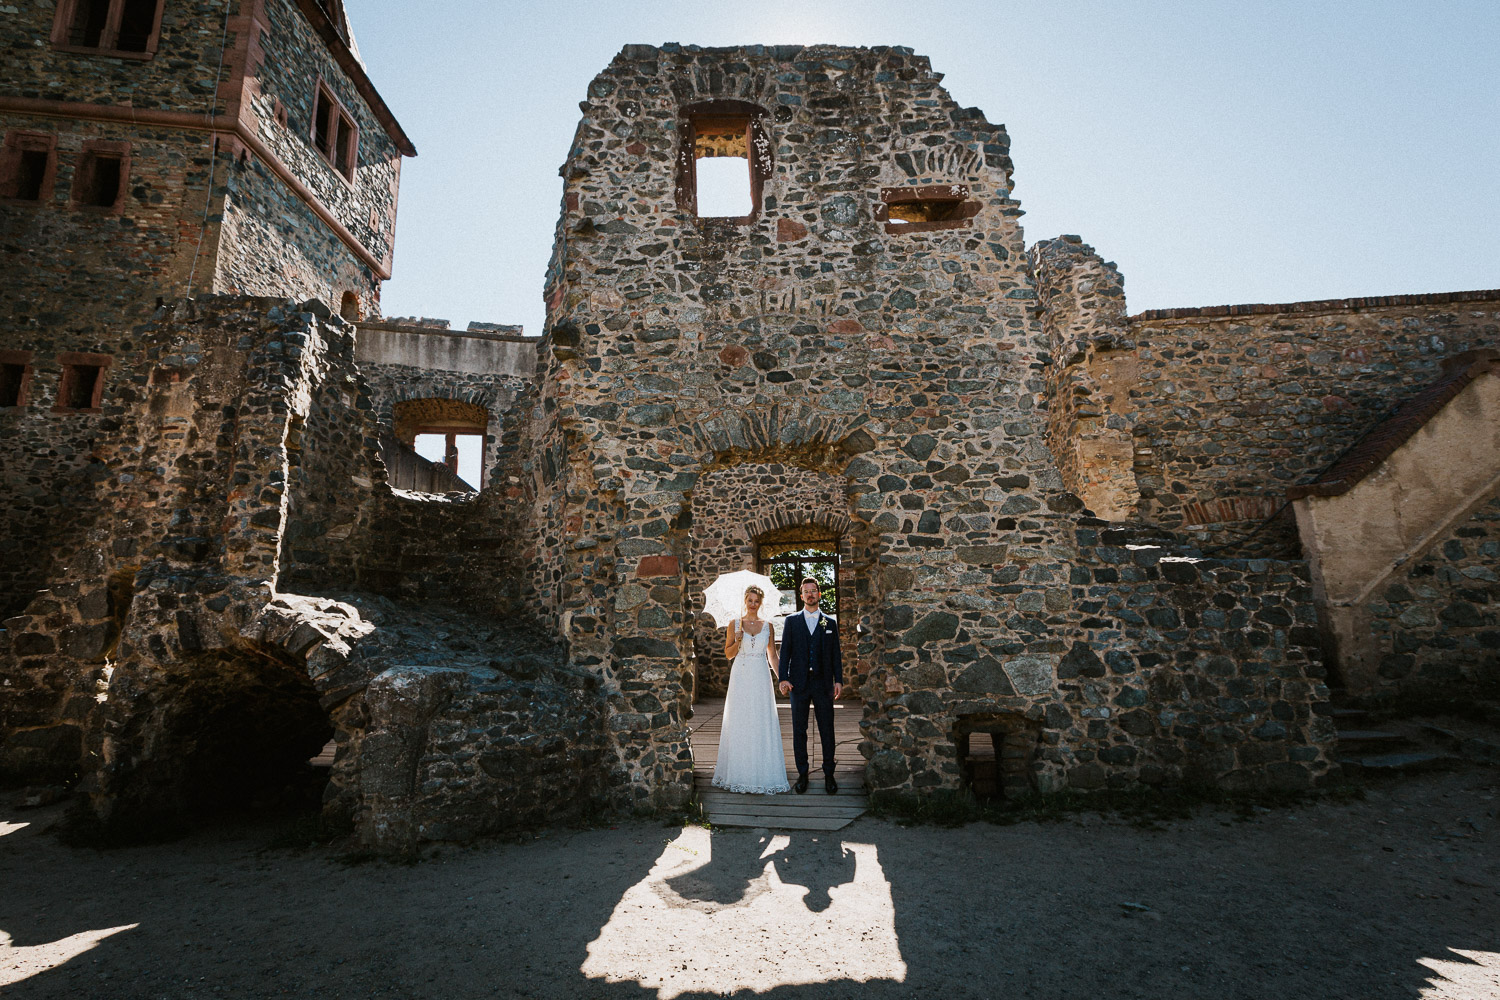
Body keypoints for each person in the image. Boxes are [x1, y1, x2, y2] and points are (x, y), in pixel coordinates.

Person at [711, 585, 790, 795]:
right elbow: (728, 654)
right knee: (740, 720)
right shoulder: (734, 624)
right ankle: (739, 773)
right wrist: (737, 640)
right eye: (750, 600)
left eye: (756, 601)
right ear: (745, 601)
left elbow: (772, 656)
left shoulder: (768, 626)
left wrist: (782, 678)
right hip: (741, 676)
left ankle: (763, 772)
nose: (753, 604)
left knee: (760, 719)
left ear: (761, 603)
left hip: (760, 675)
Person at [778, 578, 843, 794]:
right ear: (801, 595)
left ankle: (829, 774)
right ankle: (803, 773)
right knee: (799, 730)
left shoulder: (829, 623)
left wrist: (839, 680)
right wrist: (783, 678)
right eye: (806, 591)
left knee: (827, 729)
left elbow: (836, 655)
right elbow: (785, 652)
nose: (810, 595)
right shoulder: (792, 621)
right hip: (799, 684)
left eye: (813, 591)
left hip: (823, 684)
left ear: (820, 594)